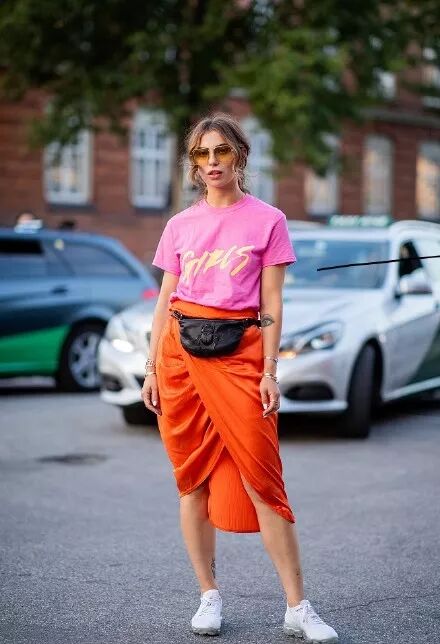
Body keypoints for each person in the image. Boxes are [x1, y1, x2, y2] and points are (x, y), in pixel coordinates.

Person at [141, 112, 339, 642]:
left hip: (242, 356)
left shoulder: (268, 220)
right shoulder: (179, 225)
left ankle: (297, 607)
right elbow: (165, 300)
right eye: (201, 154)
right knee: (192, 482)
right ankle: (208, 594)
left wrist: (271, 370)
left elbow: (271, 302)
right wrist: (152, 366)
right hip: (179, 358)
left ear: (240, 156)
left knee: (262, 478)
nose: (212, 163)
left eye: (221, 151)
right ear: (193, 163)